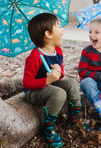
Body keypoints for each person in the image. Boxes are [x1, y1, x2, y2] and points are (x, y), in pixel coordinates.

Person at [23, 13, 90, 148]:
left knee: (71, 83)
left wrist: (59, 72)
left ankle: (75, 118)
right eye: (59, 26)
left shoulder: (57, 50)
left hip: (50, 84)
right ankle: (48, 129)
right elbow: (27, 83)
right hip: (33, 92)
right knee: (59, 93)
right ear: (48, 34)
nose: (63, 29)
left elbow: (60, 75)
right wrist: (47, 80)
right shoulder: (35, 56)